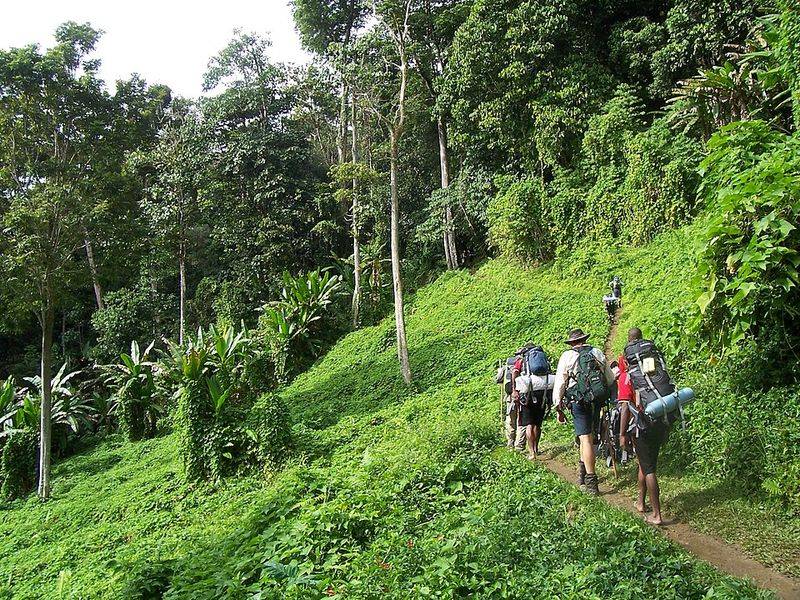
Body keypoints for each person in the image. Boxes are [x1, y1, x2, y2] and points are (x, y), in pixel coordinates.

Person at [553, 328, 614, 495]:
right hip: (596, 400)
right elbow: (609, 378)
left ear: (572, 343)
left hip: (578, 401)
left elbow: (560, 383)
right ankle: (582, 473)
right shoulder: (597, 352)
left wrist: (558, 406)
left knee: (585, 438)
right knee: (589, 437)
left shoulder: (567, 356)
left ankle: (591, 482)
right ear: (585, 339)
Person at [620, 327, 669, 525]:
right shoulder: (654, 367)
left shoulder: (629, 375)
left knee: (649, 469)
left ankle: (657, 515)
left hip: (642, 425)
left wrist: (622, 433)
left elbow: (624, 407)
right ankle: (641, 502)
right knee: (645, 462)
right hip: (662, 418)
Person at [510, 344, 549, 459]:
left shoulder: (522, 360)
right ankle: (536, 448)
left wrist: (514, 390)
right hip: (543, 393)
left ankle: (532, 452)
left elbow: (514, 372)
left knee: (529, 424)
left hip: (527, 395)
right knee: (537, 424)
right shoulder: (543, 358)